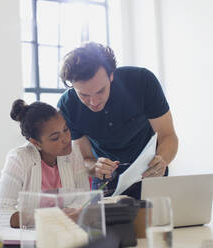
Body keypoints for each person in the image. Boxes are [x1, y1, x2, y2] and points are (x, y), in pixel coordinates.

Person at [57, 42, 178, 199]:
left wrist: (162, 161)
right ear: (72, 86)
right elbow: (85, 158)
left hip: (150, 172)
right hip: (105, 179)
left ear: (111, 75)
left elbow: (168, 136)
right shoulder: (68, 105)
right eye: (84, 95)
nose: (93, 102)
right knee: (102, 223)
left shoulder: (142, 81)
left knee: (155, 221)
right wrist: (94, 167)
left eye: (100, 91)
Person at [0, 99, 90, 229]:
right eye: (55, 137)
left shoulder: (73, 153)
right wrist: (50, 218)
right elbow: (1, 212)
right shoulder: (19, 158)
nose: (66, 139)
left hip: (66, 234)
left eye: (66, 129)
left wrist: (67, 215)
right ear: (35, 143)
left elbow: (83, 198)